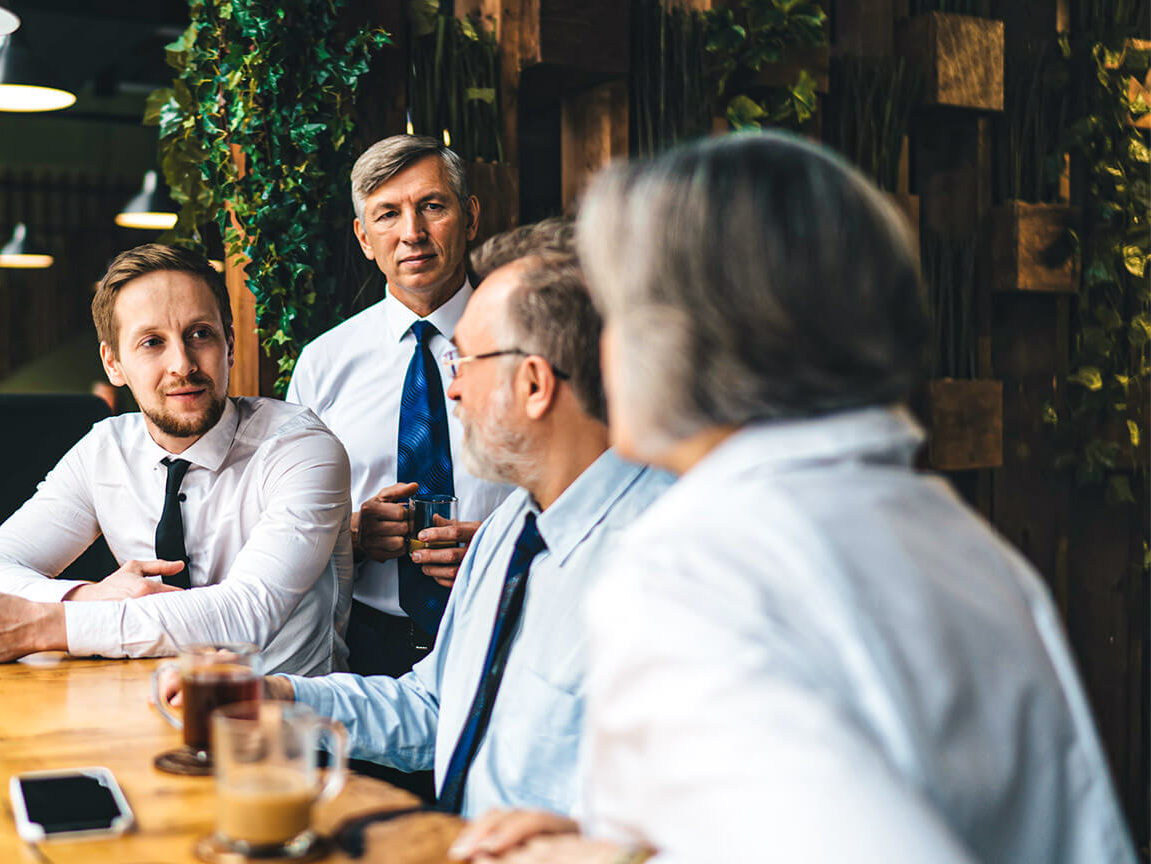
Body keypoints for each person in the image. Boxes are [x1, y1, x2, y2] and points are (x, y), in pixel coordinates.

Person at [450, 134, 1135, 864]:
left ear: (693, 335)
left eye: (621, 312)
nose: (600, 347)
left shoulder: (696, 564)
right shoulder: (971, 547)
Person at [173, 220, 672, 818]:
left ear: (535, 384)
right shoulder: (515, 530)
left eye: (467, 362)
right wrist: (277, 696)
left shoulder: (669, 558)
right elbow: (437, 706)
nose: (452, 389)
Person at [0, 244, 353, 676]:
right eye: (152, 342)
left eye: (200, 334)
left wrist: (43, 624)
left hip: (287, 731)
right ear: (113, 363)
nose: (182, 364)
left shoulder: (301, 449)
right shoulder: (105, 451)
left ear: (230, 345)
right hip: (144, 714)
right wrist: (88, 598)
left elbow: (245, 614)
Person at [287, 135, 512, 678]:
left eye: (432, 206)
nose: (412, 233)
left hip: (509, 630)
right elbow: (286, 522)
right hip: (367, 649)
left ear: (470, 216)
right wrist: (354, 536)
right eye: (387, 214)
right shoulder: (323, 364)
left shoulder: (527, 341)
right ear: (364, 238)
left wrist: (503, 547)